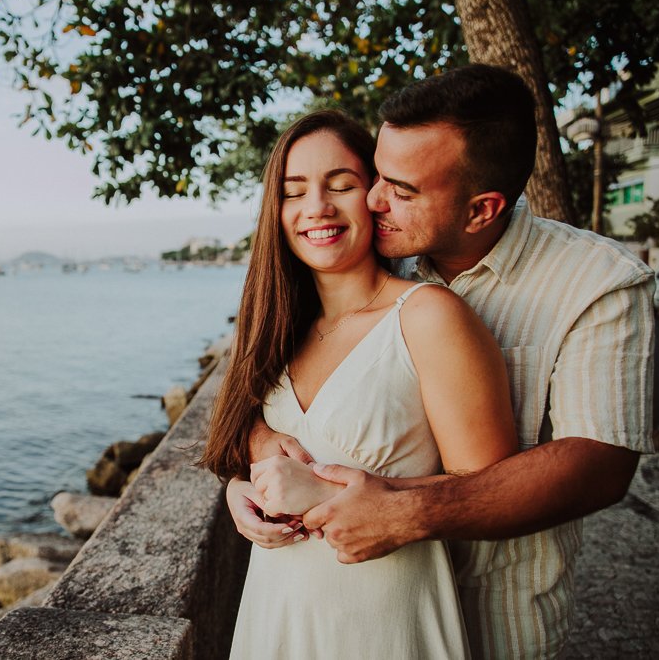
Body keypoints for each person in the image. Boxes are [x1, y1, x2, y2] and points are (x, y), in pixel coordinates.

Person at [228, 64, 656, 659]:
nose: (375, 199)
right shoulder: (379, 251)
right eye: (376, 174)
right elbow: (276, 391)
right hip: (307, 605)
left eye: (399, 189)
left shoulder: (596, 282)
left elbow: (600, 463)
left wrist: (402, 511)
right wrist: (256, 456)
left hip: (496, 603)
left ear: (481, 210)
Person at [200, 109, 520, 659]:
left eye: (341, 185)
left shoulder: (426, 317)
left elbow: (493, 493)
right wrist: (244, 487)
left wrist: (326, 496)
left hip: (385, 626)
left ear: (374, 195)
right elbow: (252, 440)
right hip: (275, 617)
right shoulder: (276, 330)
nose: (317, 208)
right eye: (293, 191)